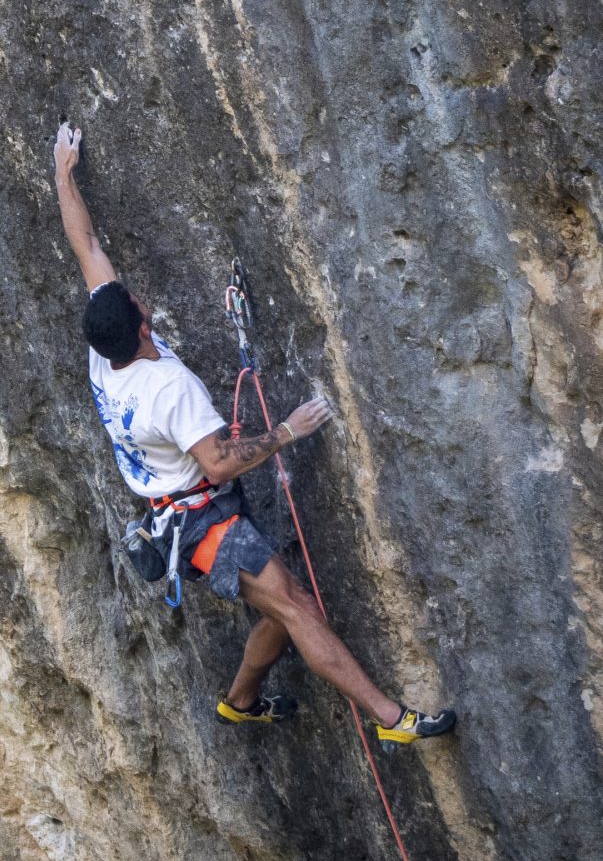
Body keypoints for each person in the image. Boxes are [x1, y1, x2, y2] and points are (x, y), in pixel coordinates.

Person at [52, 123, 457, 744]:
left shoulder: (103, 354)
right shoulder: (168, 389)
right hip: (201, 520)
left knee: (277, 605)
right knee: (297, 605)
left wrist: (64, 173)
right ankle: (391, 719)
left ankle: (240, 701)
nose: (134, 298)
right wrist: (286, 433)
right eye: (135, 302)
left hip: (179, 510)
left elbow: (86, 243)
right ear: (140, 323)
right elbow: (216, 463)